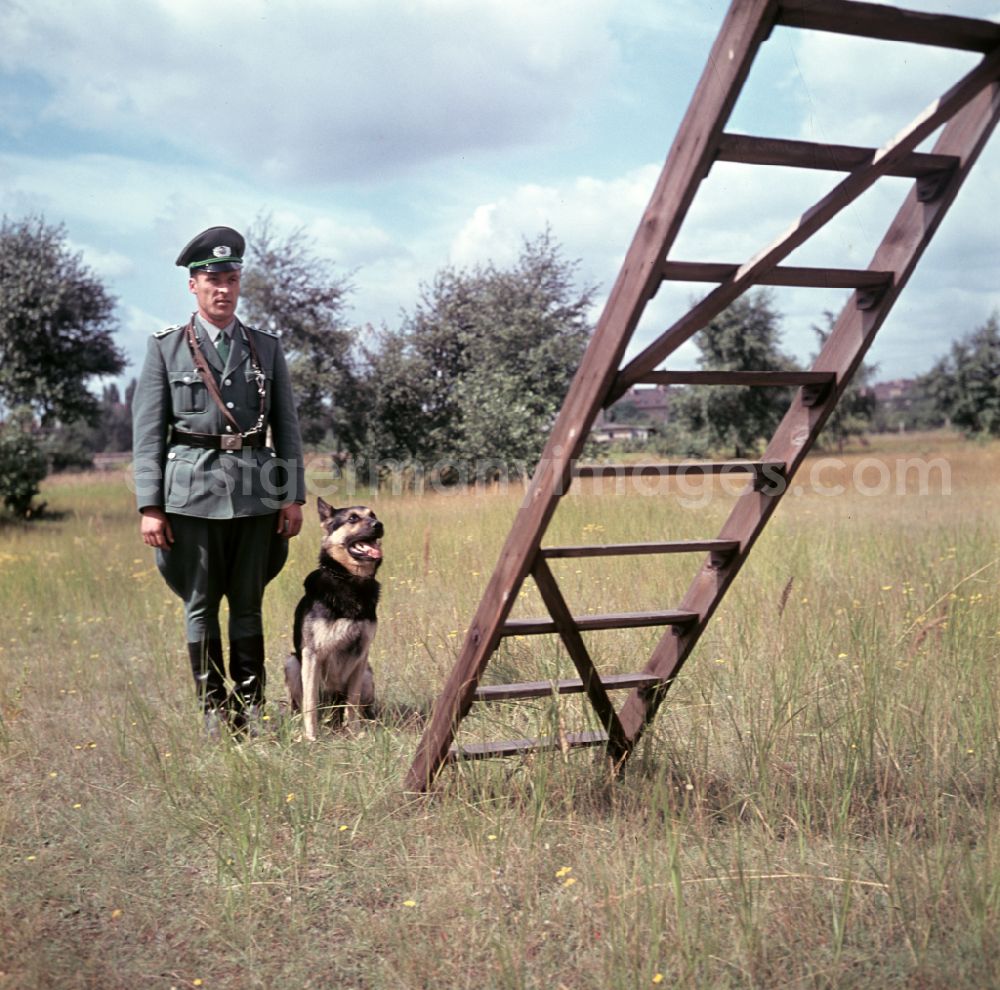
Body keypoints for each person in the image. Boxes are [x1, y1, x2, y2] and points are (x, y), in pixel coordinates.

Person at [132, 225, 305, 736]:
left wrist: (292, 496)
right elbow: (147, 432)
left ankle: (252, 707)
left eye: (230, 278)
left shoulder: (265, 348)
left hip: (256, 494)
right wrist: (150, 505)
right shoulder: (166, 349)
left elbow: (287, 426)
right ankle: (214, 709)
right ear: (193, 286)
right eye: (212, 280)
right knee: (200, 604)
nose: (222, 289)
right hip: (190, 496)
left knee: (249, 602)